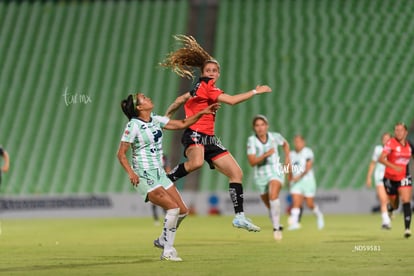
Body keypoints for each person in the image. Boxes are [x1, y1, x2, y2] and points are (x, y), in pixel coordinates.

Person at [160, 35, 272, 232]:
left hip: (209, 138)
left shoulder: (202, 88)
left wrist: (167, 116)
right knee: (195, 163)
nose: (211, 73)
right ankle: (166, 178)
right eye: (208, 70)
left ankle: (239, 217)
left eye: (214, 70)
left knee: (236, 173)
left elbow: (180, 98)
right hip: (194, 133)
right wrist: (255, 91)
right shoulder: (207, 88)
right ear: (203, 73)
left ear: (218, 74)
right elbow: (232, 101)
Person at [117, 92, 218, 261]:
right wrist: (131, 173)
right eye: (144, 98)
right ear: (139, 107)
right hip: (144, 174)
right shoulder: (133, 125)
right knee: (173, 208)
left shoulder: (155, 119)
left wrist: (202, 113)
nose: (148, 97)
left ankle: (163, 239)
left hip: (160, 173)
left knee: (183, 211)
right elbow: (121, 154)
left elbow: (182, 123)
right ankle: (168, 251)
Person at [246, 115, 290, 240]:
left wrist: (287, 158)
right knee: (270, 205)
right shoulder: (252, 141)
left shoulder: (275, 136)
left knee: (273, 195)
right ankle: (276, 221)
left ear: (267, 126)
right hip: (260, 175)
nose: (260, 128)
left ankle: (276, 228)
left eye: (262, 125)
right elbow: (252, 162)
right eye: (257, 125)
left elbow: (285, 144)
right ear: (254, 128)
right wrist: (266, 155)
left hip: (275, 171)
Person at [378, 122, 412, 238]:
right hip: (390, 178)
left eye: (401, 130)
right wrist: (394, 167)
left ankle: (407, 229)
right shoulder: (390, 143)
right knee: (395, 205)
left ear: (406, 132)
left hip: (404, 176)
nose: (398, 132)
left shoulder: (410, 146)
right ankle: (391, 208)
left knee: (406, 200)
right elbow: (381, 159)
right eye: (396, 130)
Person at [287, 135, 324, 231]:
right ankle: (295, 223)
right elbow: (289, 168)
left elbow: (308, 167)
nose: (297, 143)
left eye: (299, 141)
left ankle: (319, 215)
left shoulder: (308, 152)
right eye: (295, 141)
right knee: (296, 202)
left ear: (303, 142)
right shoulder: (291, 154)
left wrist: (297, 177)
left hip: (307, 181)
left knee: (309, 204)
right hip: (296, 182)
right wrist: (289, 179)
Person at [365, 132, 392, 229]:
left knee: (390, 199)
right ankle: (385, 221)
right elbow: (372, 164)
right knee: (383, 199)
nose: (386, 140)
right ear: (382, 140)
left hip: (391, 178)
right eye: (384, 139)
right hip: (380, 177)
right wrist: (368, 177)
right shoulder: (378, 149)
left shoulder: (394, 150)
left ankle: (389, 213)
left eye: (388, 139)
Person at [151, 155, 171, 226]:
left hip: (162, 180)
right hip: (154, 180)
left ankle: (166, 217)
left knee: (164, 199)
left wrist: (168, 179)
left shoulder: (164, 157)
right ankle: (156, 219)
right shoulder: (152, 156)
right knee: (154, 201)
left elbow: (168, 169)